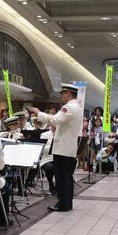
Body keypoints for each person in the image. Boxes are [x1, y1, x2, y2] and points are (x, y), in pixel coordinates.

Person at [31, 83, 82, 212]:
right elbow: (63, 124)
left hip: (63, 149)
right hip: (68, 148)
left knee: (62, 178)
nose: (61, 97)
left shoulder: (68, 107)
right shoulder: (77, 107)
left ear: (68, 94)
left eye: (62, 94)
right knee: (67, 177)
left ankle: (63, 203)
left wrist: (39, 113)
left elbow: (54, 119)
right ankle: (67, 202)